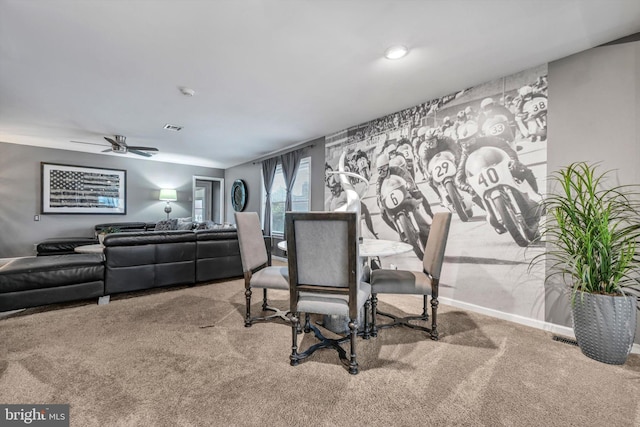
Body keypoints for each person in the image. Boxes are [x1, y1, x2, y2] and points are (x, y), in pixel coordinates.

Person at [454, 123, 539, 196]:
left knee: (524, 171)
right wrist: (468, 188)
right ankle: (490, 211)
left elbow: (506, 148)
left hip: (502, 169)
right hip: (483, 180)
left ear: (477, 137)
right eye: (464, 143)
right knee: (474, 195)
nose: (468, 145)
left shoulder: (489, 140)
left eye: (471, 141)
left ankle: (536, 196)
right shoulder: (465, 154)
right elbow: (458, 178)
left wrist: (513, 160)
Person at [375, 153, 433, 233]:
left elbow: (406, 177)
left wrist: (410, 186)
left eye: (384, 168)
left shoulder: (396, 170)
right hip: (392, 201)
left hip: (404, 193)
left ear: (388, 165)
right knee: (383, 214)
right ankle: (400, 231)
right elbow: (378, 194)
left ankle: (430, 216)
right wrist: (380, 204)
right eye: (379, 170)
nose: (382, 172)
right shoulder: (379, 181)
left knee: (418, 194)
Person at [418, 128, 462, 201]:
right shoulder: (425, 150)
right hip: (435, 164)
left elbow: (456, 149)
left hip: (449, 159)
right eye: (428, 142)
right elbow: (425, 164)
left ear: (437, 139)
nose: (430, 144)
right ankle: (441, 195)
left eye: (432, 141)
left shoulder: (446, 140)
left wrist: (457, 160)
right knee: (430, 182)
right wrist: (428, 175)